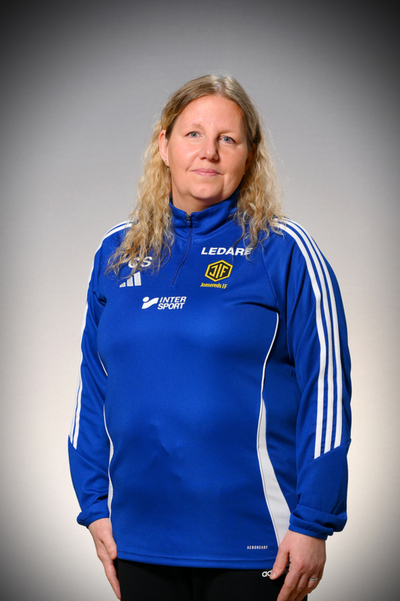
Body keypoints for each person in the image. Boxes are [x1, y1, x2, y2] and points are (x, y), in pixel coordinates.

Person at [69, 74, 351, 601]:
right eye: (193, 134)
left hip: (256, 540)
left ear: (250, 155)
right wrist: (93, 506)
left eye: (228, 138)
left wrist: (314, 521)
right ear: (164, 146)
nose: (209, 152)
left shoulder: (285, 250)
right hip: (139, 538)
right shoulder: (117, 252)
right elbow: (94, 387)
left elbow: (328, 391)